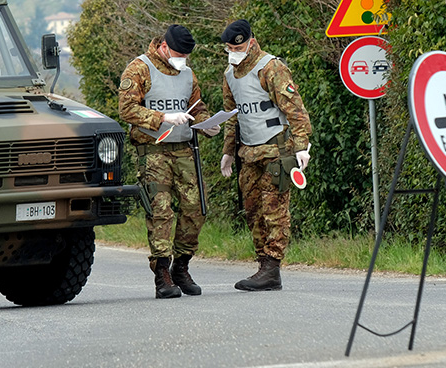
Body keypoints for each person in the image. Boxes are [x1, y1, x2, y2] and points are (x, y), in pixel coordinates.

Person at [119, 24, 220, 299]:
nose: (181, 60)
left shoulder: (186, 73)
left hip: (184, 148)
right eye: (177, 54)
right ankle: (162, 273)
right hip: (153, 150)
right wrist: (162, 117)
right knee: (160, 211)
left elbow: (196, 106)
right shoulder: (139, 69)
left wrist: (207, 124)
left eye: (185, 56)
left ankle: (182, 266)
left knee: (196, 206)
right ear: (163, 46)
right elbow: (127, 109)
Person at [219, 19, 312, 291]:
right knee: (252, 210)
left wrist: (302, 146)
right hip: (248, 153)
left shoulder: (271, 68)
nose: (232, 52)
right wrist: (228, 151)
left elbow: (295, 109)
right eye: (228, 48)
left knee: (275, 210)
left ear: (250, 41)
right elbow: (231, 116)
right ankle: (263, 265)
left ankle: (272, 268)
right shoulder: (229, 75)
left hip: (276, 149)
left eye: (237, 47)